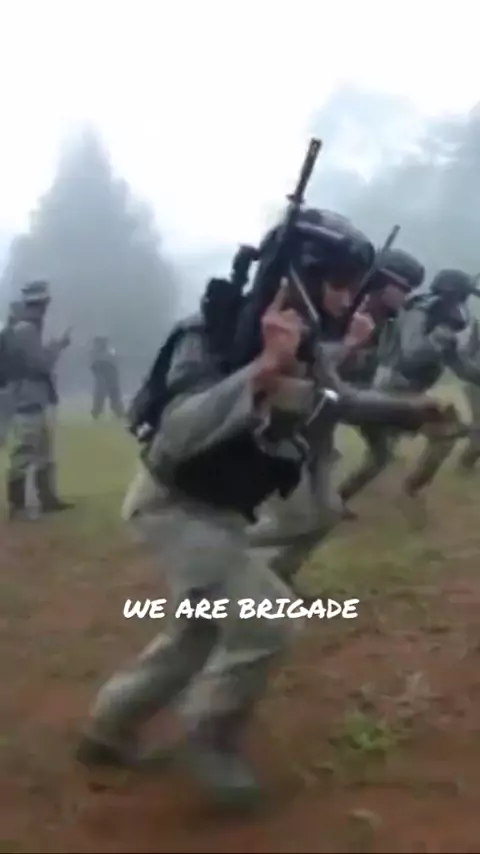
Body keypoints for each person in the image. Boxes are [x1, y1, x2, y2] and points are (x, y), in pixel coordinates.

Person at [77, 208, 447, 810]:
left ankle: (109, 727)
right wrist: (261, 369)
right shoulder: (210, 334)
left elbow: (334, 400)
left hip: (221, 513)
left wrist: (409, 410)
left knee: (195, 633)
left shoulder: (304, 342)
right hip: (174, 508)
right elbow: (174, 436)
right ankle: (210, 741)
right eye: (338, 283)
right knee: (269, 622)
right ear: (300, 274)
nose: (347, 299)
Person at [247, 247, 424, 549]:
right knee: (291, 519)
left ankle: (277, 569)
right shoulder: (338, 312)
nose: (405, 296)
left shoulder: (383, 322)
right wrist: (350, 345)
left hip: (324, 419)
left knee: (325, 515)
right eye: (403, 288)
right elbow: (308, 359)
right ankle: (226, 550)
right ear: (383, 282)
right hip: (293, 420)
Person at [339, 268, 480, 506]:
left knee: (381, 456)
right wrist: (438, 339)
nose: (462, 304)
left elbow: (462, 368)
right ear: (451, 294)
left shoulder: (441, 325)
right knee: (446, 431)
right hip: (389, 389)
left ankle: (339, 499)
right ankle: (409, 491)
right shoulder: (419, 312)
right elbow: (411, 354)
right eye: (460, 297)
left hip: (405, 392)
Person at [6, 280, 73, 520]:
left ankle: (48, 500)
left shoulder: (24, 325)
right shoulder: (26, 329)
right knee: (24, 452)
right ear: (41, 302)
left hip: (33, 396)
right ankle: (18, 507)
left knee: (44, 451)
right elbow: (40, 364)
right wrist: (58, 346)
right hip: (26, 398)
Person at [0, 300, 22, 447]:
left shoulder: (8, 332)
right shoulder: (10, 334)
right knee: (7, 412)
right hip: (8, 380)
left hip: (9, 379)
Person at [90, 335, 124, 420]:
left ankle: (119, 414)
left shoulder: (110, 352)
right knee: (99, 397)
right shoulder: (97, 353)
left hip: (111, 378)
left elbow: (114, 365)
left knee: (114, 399)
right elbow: (93, 367)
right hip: (103, 378)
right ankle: (96, 414)